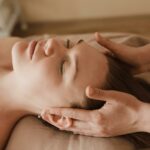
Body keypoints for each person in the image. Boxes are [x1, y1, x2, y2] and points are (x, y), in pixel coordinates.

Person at [0, 34, 149, 149]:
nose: (52, 42)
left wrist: (139, 117)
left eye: (63, 66)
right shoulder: (10, 47)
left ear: (59, 117)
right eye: (68, 45)